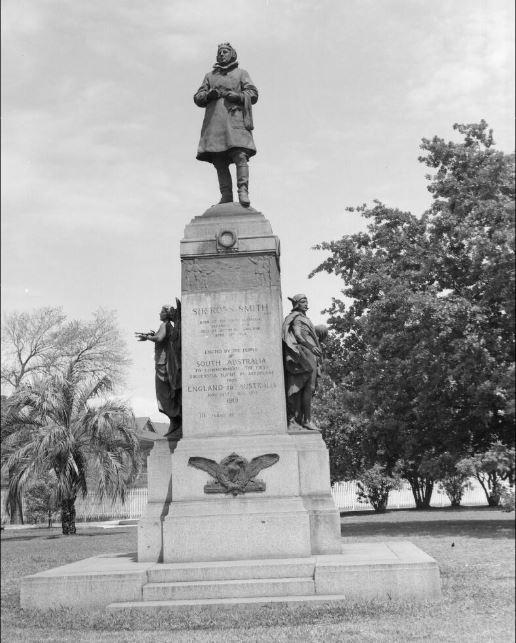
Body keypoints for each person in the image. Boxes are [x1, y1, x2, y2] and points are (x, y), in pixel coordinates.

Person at [194, 42, 258, 207]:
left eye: (225, 51)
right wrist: (208, 95)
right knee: (219, 160)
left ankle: (243, 190)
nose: (222, 54)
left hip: (235, 120)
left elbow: (253, 93)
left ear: (232, 54)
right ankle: (226, 194)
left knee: (240, 156)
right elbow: (198, 97)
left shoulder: (241, 73)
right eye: (220, 52)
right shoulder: (210, 76)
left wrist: (237, 96)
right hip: (215, 124)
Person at [135, 302, 182, 439]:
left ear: (166, 314)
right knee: (165, 395)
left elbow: (159, 337)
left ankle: (176, 421)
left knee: (164, 395)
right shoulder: (169, 326)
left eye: (161, 311)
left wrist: (148, 337)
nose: (159, 314)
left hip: (164, 365)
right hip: (165, 363)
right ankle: (175, 423)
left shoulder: (165, 325)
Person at [282, 294, 326, 431]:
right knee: (305, 387)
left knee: (311, 388)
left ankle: (304, 420)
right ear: (296, 304)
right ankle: (303, 420)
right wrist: (311, 346)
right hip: (305, 353)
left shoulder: (305, 318)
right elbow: (298, 336)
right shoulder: (296, 318)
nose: (306, 304)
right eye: (302, 301)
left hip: (312, 354)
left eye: (306, 301)